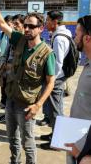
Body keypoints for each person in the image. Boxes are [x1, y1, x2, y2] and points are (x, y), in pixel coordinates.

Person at [0, 0, 55, 164]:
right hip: (11, 100)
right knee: (12, 140)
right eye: (26, 25)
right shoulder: (19, 40)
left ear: (41, 29)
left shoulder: (47, 53)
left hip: (27, 105)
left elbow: (50, 83)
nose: (27, 29)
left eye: (32, 26)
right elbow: (1, 24)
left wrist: (38, 105)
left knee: (28, 143)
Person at [39, 10, 72, 150]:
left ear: (55, 21)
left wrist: (50, 80)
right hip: (58, 77)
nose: (46, 23)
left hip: (56, 79)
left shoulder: (59, 38)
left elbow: (57, 63)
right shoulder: (63, 34)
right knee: (55, 108)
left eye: (47, 20)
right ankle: (55, 134)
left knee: (55, 110)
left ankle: (58, 142)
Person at [65, 15, 91, 164]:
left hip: (85, 150)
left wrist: (86, 156)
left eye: (77, 33)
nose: (75, 37)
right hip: (76, 138)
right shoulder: (87, 64)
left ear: (87, 38)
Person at [0, 14, 25, 123]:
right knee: (7, 98)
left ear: (23, 25)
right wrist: (2, 67)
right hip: (7, 75)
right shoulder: (11, 39)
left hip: (18, 79)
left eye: (17, 24)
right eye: (14, 24)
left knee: (18, 104)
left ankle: (16, 120)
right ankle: (7, 116)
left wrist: (11, 66)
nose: (14, 26)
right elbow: (6, 54)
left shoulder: (25, 41)